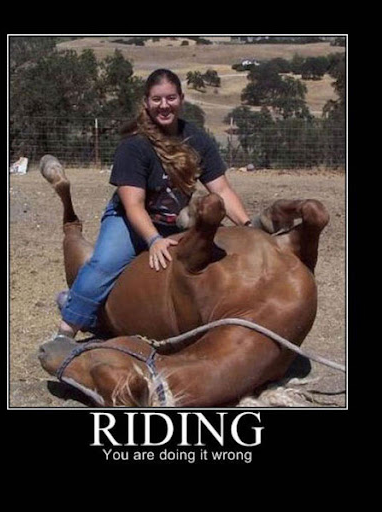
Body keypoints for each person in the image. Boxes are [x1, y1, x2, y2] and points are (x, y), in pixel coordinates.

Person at [58, 68, 251, 338]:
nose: (164, 105)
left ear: (181, 99)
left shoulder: (197, 140)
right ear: (146, 102)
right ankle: (66, 331)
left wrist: (248, 227)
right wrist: (153, 239)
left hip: (175, 222)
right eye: (157, 99)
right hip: (129, 221)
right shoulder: (134, 145)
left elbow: (221, 189)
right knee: (105, 263)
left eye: (170, 98)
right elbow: (133, 205)